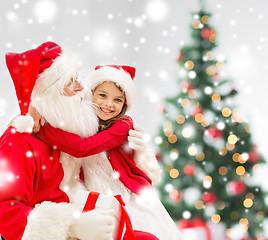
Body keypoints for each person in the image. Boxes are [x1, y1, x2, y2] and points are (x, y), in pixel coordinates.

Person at [0, 42, 158, 240]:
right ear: (51, 91)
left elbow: (91, 157)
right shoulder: (19, 139)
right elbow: (5, 213)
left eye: (78, 78)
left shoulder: (66, 131)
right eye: (71, 81)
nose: (82, 87)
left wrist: (139, 153)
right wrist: (72, 226)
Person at [33, 65, 182, 240]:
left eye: (118, 100)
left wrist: (42, 130)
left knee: (137, 232)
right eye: (102, 95)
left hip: (124, 193)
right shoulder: (85, 120)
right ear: (91, 94)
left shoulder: (123, 126)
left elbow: (83, 148)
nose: (109, 104)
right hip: (94, 192)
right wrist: (38, 111)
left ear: (125, 105)